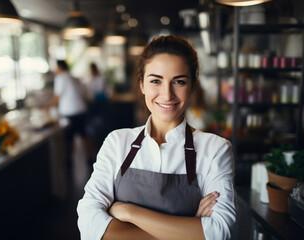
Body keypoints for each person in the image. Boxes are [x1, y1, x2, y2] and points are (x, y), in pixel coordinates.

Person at [77, 35, 236, 240]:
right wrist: (189, 231)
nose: (167, 94)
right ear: (142, 84)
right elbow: (89, 225)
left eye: (179, 81)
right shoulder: (117, 142)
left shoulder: (215, 149)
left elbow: (220, 232)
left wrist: (128, 212)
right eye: (155, 81)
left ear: (192, 85)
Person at [48, 60, 93, 168]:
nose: (55, 70)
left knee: (69, 138)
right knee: (84, 135)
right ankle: (90, 157)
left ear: (60, 67)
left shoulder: (61, 78)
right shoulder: (74, 78)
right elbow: (84, 93)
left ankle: (68, 160)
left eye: (56, 67)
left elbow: (57, 97)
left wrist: (47, 107)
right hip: (81, 110)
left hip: (70, 112)